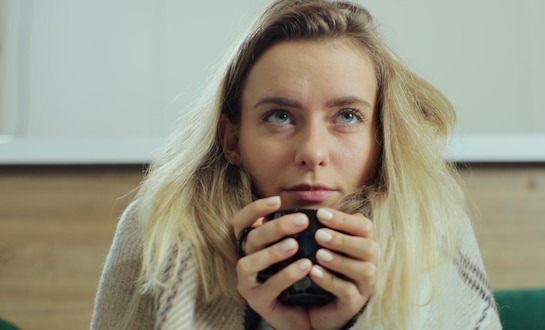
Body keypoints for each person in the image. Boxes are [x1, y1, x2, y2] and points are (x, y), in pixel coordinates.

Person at [91, 0, 502, 329]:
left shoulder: (433, 230)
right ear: (233, 139)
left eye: (346, 116)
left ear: (381, 138)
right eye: (280, 116)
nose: (313, 152)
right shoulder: (159, 233)